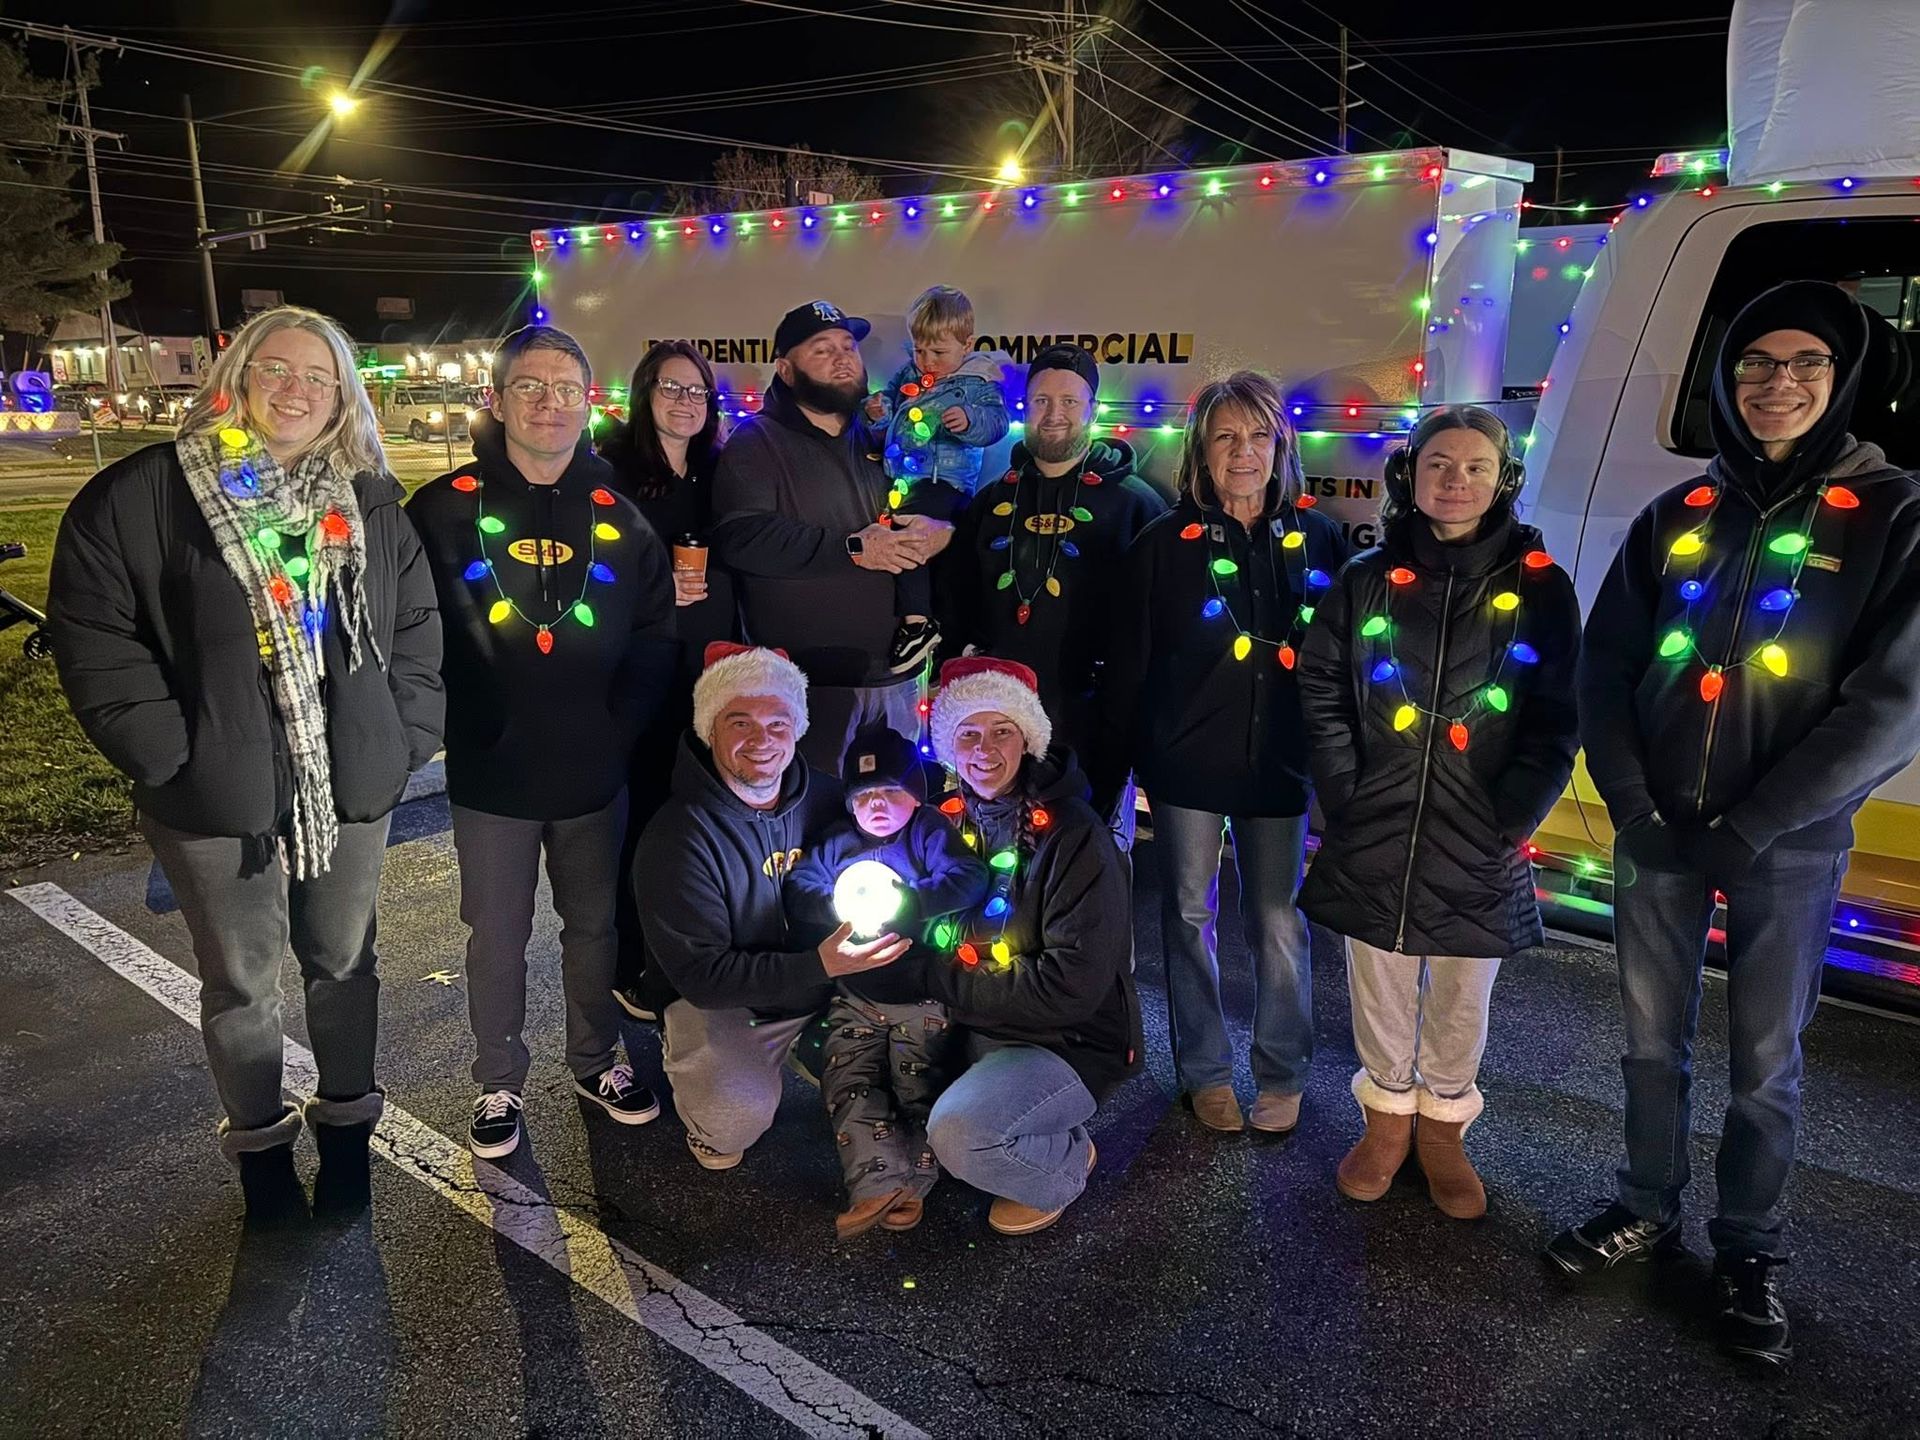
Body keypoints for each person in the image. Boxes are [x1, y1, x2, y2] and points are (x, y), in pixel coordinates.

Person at [1545, 281, 1920, 1365]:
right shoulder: (1682, 513)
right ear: (1726, 377)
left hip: (1787, 848)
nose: (1777, 383)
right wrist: (1631, 805)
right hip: (1659, 833)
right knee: (1647, 1043)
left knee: (1765, 1062)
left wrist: (1754, 824)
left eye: (1805, 363)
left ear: (1843, 378)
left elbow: (1889, 705)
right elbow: (1606, 667)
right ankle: (1644, 1204)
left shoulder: (1894, 515)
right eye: (1755, 362)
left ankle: (1749, 1249)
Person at [47, 305, 444, 1222]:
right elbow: (97, 636)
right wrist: (169, 755)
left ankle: (347, 1133)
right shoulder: (148, 495)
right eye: (277, 370)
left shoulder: (368, 501)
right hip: (213, 795)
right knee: (241, 983)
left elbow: (418, 631)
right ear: (238, 379)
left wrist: (401, 736)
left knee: (344, 963)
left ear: (343, 398)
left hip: (347, 783)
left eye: (319, 377)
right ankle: (262, 1149)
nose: (297, 391)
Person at [1298, 405, 1581, 1220]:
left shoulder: (1540, 588)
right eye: (1439, 464)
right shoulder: (1366, 579)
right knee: (1378, 979)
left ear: (1503, 480)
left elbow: (1558, 715)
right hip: (1375, 821)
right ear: (1409, 476)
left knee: (1462, 990)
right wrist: (1347, 794)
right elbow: (1321, 687)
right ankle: (1387, 1119)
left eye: (1475, 467)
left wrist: (1510, 817)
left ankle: (1445, 1128)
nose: (1456, 481)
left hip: (1479, 828)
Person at [407, 324, 678, 1161]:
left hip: (594, 770)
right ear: (496, 399)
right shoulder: (440, 510)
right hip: (491, 771)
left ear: (586, 404)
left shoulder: (620, 516)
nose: (549, 403)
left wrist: (619, 730)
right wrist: (452, 725)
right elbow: (404, 637)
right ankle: (498, 1080)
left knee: (594, 927)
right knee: (496, 935)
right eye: (529, 386)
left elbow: (655, 635)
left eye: (566, 389)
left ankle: (597, 1062)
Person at [1101, 372, 1349, 1137]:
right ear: (1201, 453)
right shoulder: (1162, 545)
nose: (1243, 452)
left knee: (1278, 921)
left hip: (1280, 767)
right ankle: (1205, 1073)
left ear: (1282, 446)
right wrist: (1123, 766)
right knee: (1186, 916)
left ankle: (1282, 1073)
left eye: (1258, 436)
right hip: (1186, 768)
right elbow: (1130, 666)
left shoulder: (1319, 540)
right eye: (1225, 437)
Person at [635, 644, 916, 1170]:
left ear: (798, 729)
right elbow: (702, 978)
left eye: (778, 723)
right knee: (730, 1122)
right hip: (726, 1002)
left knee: (911, 1080)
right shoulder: (678, 837)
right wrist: (819, 965)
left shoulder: (832, 799)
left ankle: (815, 1051)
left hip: (827, 988)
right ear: (710, 730)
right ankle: (700, 1064)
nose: (762, 740)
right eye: (739, 722)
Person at [917, 657, 1140, 1236]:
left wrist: (935, 977)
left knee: (961, 1136)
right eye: (968, 732)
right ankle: (991, 1104)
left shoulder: (1074, 835)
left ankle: (1063, 1163)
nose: (984, 749)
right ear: (948, 743)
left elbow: (1069, 988)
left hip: (1062, 1040)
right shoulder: (939, 820)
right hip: (969, 1019)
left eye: (1002, 731)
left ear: (1029, 740)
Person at [712, 300, 950, 775]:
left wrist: (942, 528)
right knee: (814, 813)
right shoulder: (756, 442)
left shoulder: (881, 435)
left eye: (847, 347)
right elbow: (741, 537)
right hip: (806, 688)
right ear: (786, 369)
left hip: (899, 681)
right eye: (821, 350)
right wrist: (853, 549)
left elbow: (931, 494)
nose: (842, 358)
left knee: (897, 812)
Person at [786, 724, 989, 1237]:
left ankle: (914, 1183)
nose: (875, 804)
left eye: (890, 792)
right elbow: (800, 886)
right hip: (856, 994)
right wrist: (836, 904)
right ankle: (876, 1186)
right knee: (848, 1080)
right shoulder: (837, 842)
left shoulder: (927, 832)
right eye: (863, 796)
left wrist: (910, 902)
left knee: (916, 1085)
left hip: (922, 997)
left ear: (915, 796)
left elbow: (969, 877)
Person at [947, 344, 1165, 821]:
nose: (1054, 415)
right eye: (1042, 401)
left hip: (1095, 730)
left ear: (1093, 409)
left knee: (1087, 845)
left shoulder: (1137, 506)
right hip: (1001, 731)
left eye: (1069, 401)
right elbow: (956, 601)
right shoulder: (990, 503)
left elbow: (1155, 627)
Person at [598, 340, 739, 1022]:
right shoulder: (611, 470)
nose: (686, 401)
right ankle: (632, 963)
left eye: (697, 390)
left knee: (698, 826)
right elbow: (589, 569)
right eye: (671, 388)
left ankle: (691, 957)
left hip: (709, 674)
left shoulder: (718, 471)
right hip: (642, 673)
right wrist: (652, 590)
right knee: (644, 825)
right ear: (645, 394)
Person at [858, 284, 1010, 673]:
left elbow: (996, 422)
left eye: (938, 353)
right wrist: (878, 410)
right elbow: (890, 402)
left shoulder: (976, 382)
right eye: (919, 350)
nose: (927, 361)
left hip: (946, 482)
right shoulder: (909, 373)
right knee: (914, 548)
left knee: (912, 536)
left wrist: (970, 420)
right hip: (905, 478)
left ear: (966, 344)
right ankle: (936, 626)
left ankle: (917, 624)